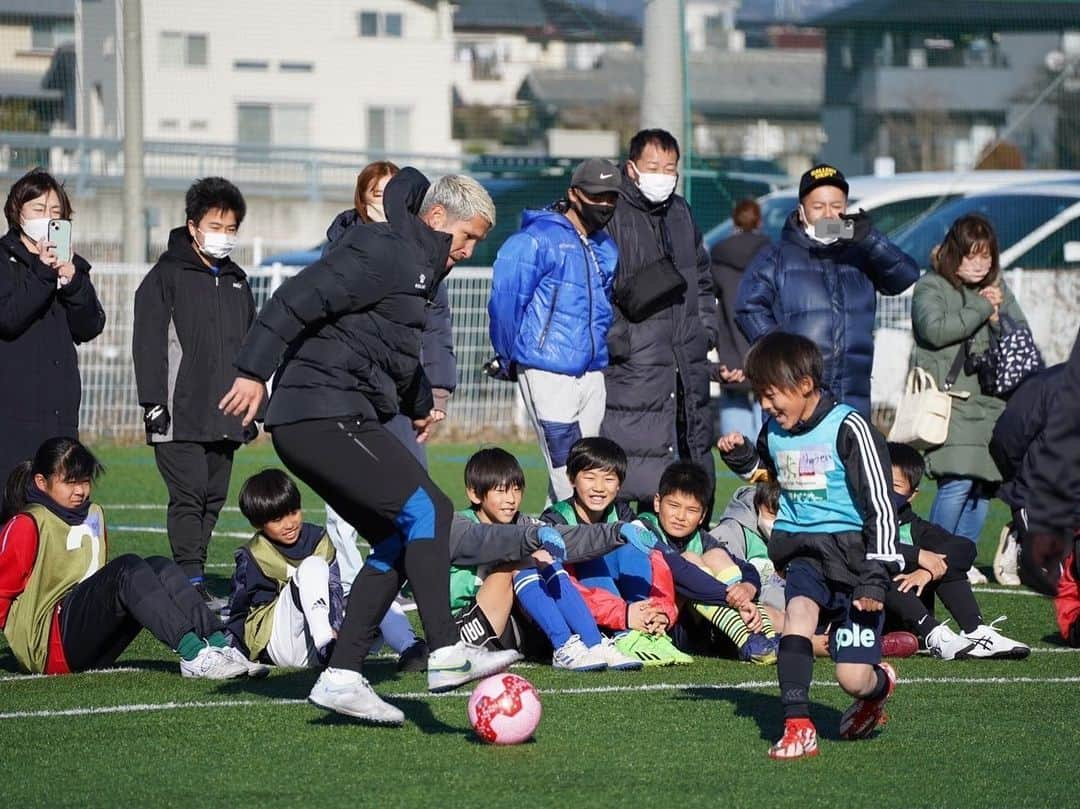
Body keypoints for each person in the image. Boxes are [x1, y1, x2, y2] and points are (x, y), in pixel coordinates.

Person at [219, 168, 519, 726]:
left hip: (338, 413)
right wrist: (253, 371)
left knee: (401, 539)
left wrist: (422, 400)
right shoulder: (386, 251)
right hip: (316, 412)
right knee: (431, 508)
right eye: (468, 237)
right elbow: (294, 299)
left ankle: (342, 677)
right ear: (435, 219)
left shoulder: (420, 273)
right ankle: (447, 651)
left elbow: (391, 354)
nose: (470, 250)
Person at [717, 332, 902, 760]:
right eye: (759, 396)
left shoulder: (849, 427)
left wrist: (876, 578)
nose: (764, 405)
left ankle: (878, 689)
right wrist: (745, 458)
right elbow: (771, 475)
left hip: (857, 564)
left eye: (769, 394)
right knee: (797, 618)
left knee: (852, 677)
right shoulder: (774, 431)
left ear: (803, 385)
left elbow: (881, 506)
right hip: (804, 557)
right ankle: (798, 725)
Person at [0, 437, 254, 679]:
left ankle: (220, 645)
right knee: (127, 568)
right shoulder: (27, 523)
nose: (80, 490)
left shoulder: (94, 513)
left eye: (85, 481)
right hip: (47, 648)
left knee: (159, 566)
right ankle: (194, 655)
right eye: (70, 482)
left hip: (91, 645)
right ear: (42, 482)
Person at [319, 160, 439, 670]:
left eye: (393, 194)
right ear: (360, 198)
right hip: (344, 402)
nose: (384, 203)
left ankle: (422, 638)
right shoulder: (345, 251)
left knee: (416, 514)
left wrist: (433, 393)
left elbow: (431, 328)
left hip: (394, 403)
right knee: (348, 526)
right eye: (376, 194)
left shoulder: (419, 254)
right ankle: (383, 639)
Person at [133, 177, 262, 610]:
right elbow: (148, 343)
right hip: (178, 410)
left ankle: (194, 575)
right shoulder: (165, 276)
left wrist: (255, 404)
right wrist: (152, 403)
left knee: (211, 497)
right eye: (215, 225)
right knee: (187, 493)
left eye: (231, 228)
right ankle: (188, 580)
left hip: (226, 412)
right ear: (193, 226)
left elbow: (252, 347)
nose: (223, 236)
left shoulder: (238, 280)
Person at [736, 164, 918, 420]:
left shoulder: (861, 254)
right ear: (801, 211)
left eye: (836, 207)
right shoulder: (777, 256)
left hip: (852, 396)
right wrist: (782, 356)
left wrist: (871, 239)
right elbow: (747, 306)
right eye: (818, 207)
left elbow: (905, 276)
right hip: (796, 395)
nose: (829, 215)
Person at [488, 159, 620, 503]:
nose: (604, 204)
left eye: (611, 196)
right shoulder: (535, 239)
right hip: (547, 367)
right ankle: (574, 548)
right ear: (574, 194)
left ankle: (555, 547)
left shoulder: (606, 247)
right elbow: (505, 301)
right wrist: (507, 357)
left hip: (593, 370)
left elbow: (604, 306)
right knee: (570, 473)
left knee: (585, 472)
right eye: (597, 195)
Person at [910, 214, 1032, 583]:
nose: (980, 263)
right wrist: (981, 307)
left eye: (986, 255)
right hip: (951, 402)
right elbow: (934, 330)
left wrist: (997, 317)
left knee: (981, 487)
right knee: (958, 480)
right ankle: (934, 556)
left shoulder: (997, 287)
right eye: (971, 255)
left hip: (992, 403)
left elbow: (1019, 337)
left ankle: (961, 557)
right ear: (953, 253)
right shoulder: (931, 286)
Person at [600, 129, 718, 509]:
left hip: (686, 360)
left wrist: (705, 330)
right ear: (632, 167)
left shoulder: (681, 212)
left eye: (670, 168)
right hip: (633, 365)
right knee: (627, 461)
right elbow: (595, 283)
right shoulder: (611, 212)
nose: (663, 175)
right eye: (654, 167)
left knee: (690, 458)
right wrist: (620, 340)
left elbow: (701, 277)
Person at [450, 447, 640, 671]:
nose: (511, 500)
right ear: (474, 494)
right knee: (523, 559)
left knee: (546, 555)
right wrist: (530, 539)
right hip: (461, 637)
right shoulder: (457, 524)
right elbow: (490, 539)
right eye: (501, 491)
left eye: (517, 490)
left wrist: (617, 532)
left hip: (506, 629)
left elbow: (569, 536)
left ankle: (594, 643)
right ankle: (563, 645)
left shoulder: (522, 523)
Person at [541, 437, 692, 667]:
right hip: (589, 619)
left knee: (636, 545)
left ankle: (647, 631)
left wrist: (660, 610)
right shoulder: (555, 520)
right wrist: (623, 614)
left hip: (630, 612)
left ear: (620, 484)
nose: (599, 488)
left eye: (609, 479)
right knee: (595, 553)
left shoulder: (623, 514)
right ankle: (625, 636)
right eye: (590, 477)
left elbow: (658, 562)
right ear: (572, 479)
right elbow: (563, 586)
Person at [0, 169, 105, 482]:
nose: (47, 218)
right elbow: (9, 317)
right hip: (12, 409)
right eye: (38, 209)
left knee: (57, 502)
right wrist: (43, 274)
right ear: (17, 213)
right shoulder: (5, 261)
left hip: (60, 411)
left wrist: (72, 282)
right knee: (14, 500)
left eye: (56, 212)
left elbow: (89, 326)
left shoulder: (70, 266)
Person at [886, 443, 1029, 659]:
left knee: (944, 559)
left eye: (895, 486)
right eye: (879, 482)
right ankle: (934, 634)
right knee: (880, 566)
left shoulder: (914, 526)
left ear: (912, 495)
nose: (885, 491)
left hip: (909, 628)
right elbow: (862, 548)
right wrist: (917, 555)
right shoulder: (852, 521)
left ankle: (975, 631)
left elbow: (965, 547)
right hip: (871, 620)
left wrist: (929, 570)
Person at [638, 461, 779, 665]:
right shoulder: (643, 529)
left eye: (691, 510)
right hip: (662, 625)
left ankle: (765, 637)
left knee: (716, 555)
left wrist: (747, 588)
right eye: (674, 506)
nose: (680, 516)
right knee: (689, 559)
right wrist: (736, 599)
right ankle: (748, 639)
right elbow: (682, 574)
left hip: (706, 628)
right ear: (657, 503)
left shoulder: (702, 538)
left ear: (703, 515)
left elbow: (746, 568)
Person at [225, 469, 345, 669]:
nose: (289, 524)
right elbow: (238, 607)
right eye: (277, 519)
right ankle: (327, 644)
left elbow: (335, 590)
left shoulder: (318, 539)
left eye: (293, 512)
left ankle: (409, 647)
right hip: (280, 646)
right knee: (312, 565)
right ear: (258, 523)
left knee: (373, 593)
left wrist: (337, 627)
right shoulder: (254, 553)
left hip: (317, 642)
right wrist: (231, 652)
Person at [989, 363, 1066, 586]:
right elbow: (1007, 436)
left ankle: (1020, 538)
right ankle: (1021, 539)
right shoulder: (1048, 384)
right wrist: (1020, 475)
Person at [710, 198, 769, 438]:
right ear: (760, 221)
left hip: (732, 352)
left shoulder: (719, 256)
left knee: (737, 439)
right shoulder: (771, 255)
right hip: (764, 350)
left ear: (734, 221)